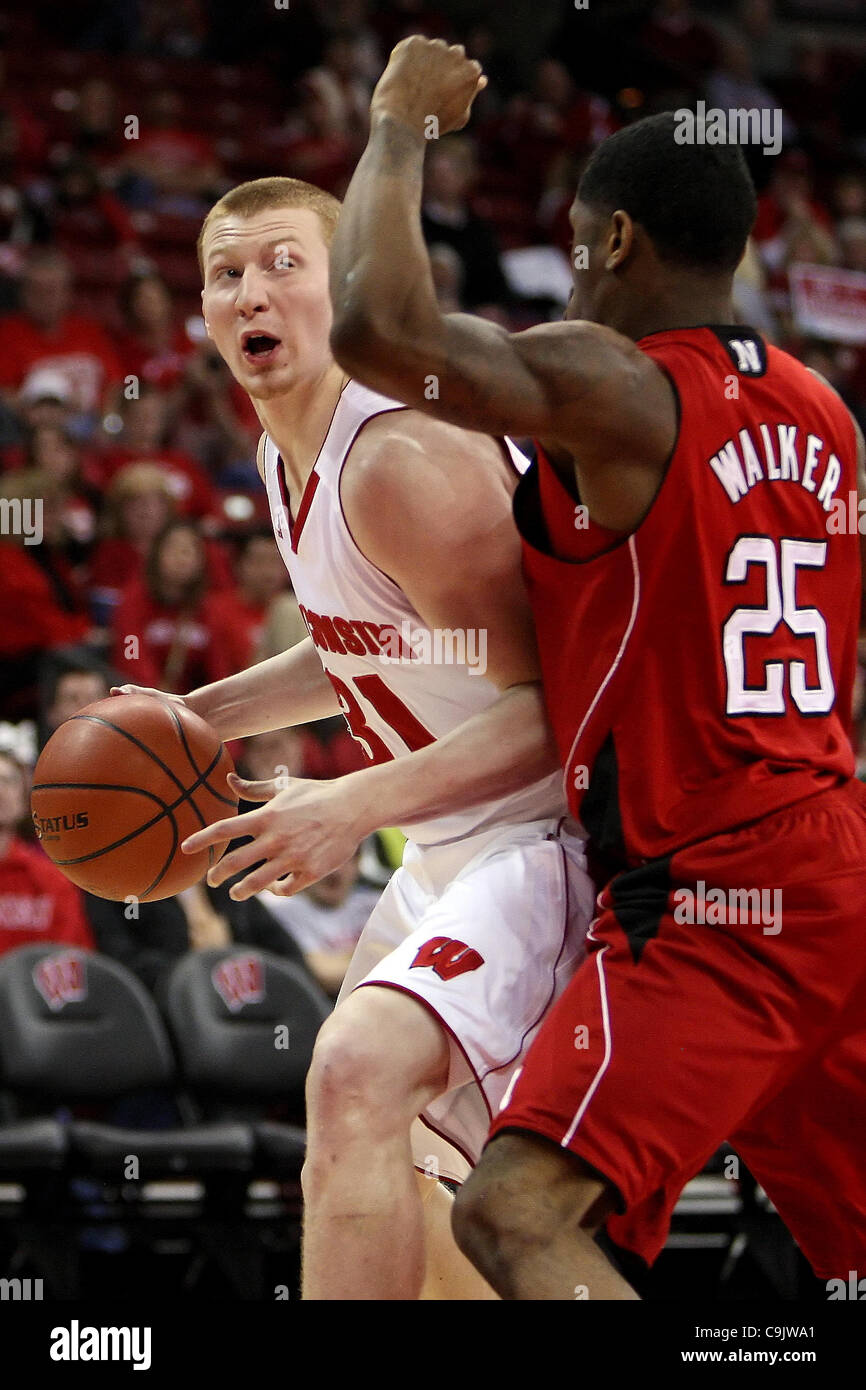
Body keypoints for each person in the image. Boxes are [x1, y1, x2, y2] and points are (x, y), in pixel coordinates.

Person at [321, 37, 866, 1298]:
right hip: (828, 864)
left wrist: (399, 120)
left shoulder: (613, 384)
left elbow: (375, 326)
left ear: (612, 242)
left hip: (713, 890)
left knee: (515, 1215)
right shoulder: (822, 410)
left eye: (575, 244)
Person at [116, 172, 594, 1301]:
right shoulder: (292, 455)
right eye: (224, 274)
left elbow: (558, 707)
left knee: (353, 1076)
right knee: (418, 1174)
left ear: (348, 290)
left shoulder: (397, 460)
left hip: (555, 840)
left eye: (284, 262)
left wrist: (349, 804)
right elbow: (368, 642)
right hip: (454, 848)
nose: (250, 292)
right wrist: (200, 717)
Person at [0, 749, 94, 956]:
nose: (1, 790)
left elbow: (71, 957)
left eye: (9, 781)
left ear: (23, 798)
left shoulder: (52, 879)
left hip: (30, 987)